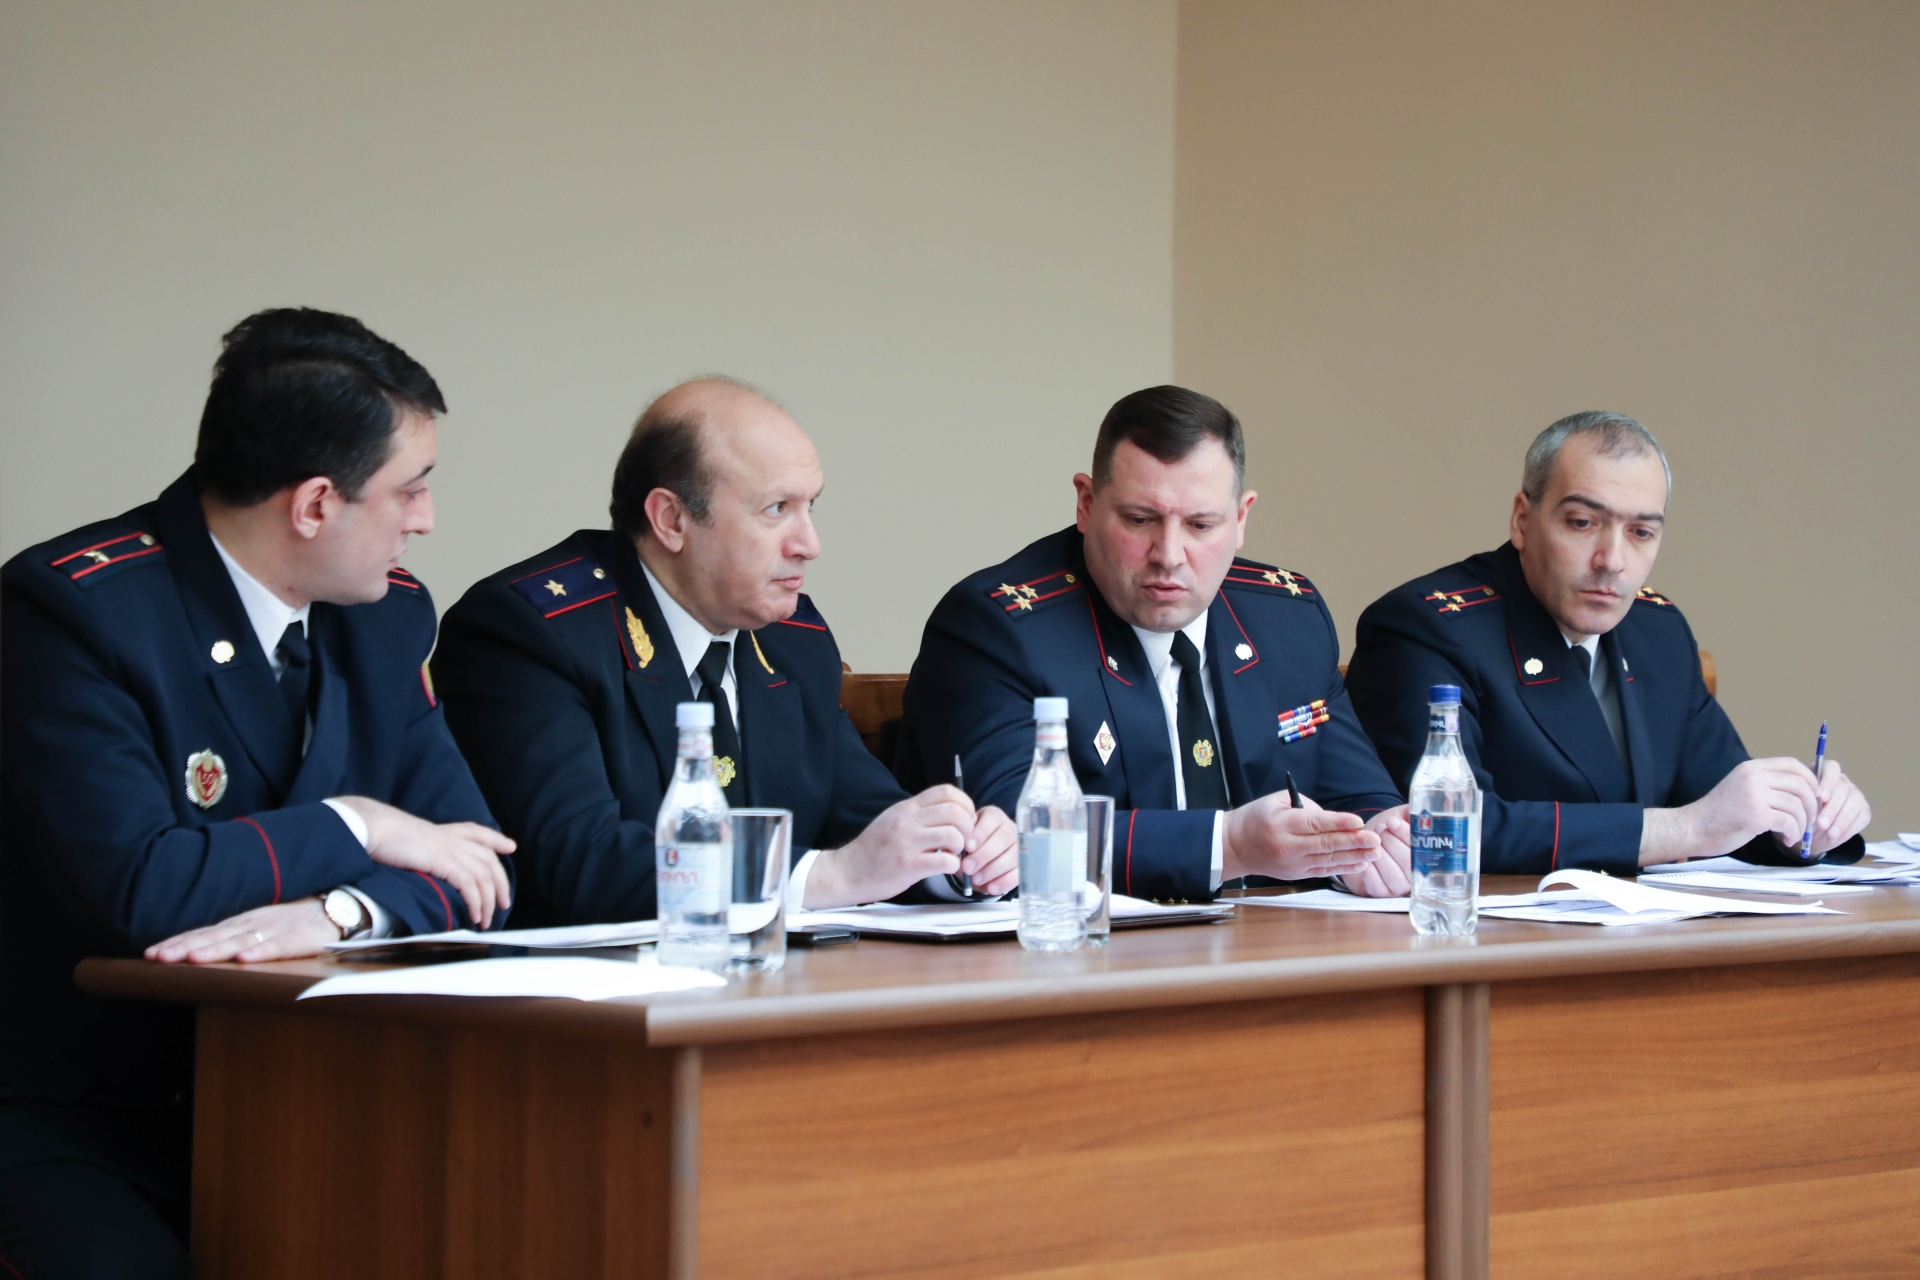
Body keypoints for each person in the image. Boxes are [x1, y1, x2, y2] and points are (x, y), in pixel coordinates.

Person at [0, 308, 514, 1279]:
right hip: (76, 1112)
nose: (425, 519)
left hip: (298, 1095)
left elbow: (476, 863)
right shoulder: (76, 610)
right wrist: (358, 825)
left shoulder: (384, 618)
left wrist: (337, 910)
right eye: (410, 489)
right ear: (315, 503)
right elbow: (144, 886)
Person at [433, 378, 1017, 926]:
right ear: (671, 519)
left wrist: (957, 857)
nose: (809, 544)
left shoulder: (793, 639)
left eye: (811, 506)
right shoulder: (530, 632)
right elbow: (577, 860)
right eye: (776, 509)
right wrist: (829, 877)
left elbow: (863, 818)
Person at [896, 385, 1411, 903]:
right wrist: (1227, 846)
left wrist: (1376, 846)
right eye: (1140, 520)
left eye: (1200, 525)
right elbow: (1014, 841)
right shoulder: (998, 629)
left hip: (1275, 938)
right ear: (1086, 504)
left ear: (1241, 518)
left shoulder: (1288, 618)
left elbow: (1360, 799)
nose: (1169, 554)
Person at [1344, 411, 1871, 875]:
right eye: (1582, 523)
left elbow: (1720, 807)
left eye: (1641, 532)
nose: (1612, 561)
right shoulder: (1425, 626)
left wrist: (1799, 822)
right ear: (1523, 520)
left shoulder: (1657, 631)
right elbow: (1444, 827)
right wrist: (1684, 830)